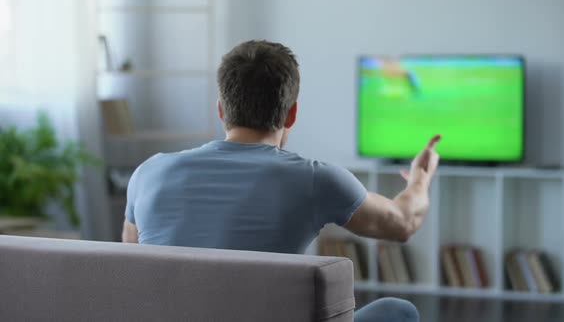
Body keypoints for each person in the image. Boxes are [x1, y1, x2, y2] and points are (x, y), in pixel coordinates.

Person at [122, 40, 440, 322]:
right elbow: (403, 222)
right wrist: (419, 179)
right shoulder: (315, 179)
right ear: (291, 114)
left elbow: (132, 263)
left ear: (221, 110)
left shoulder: (148, 173)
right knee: (399, 311)